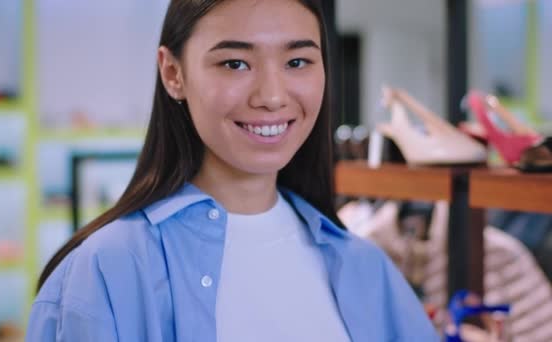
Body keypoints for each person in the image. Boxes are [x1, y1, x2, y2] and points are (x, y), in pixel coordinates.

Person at [26, 0, 439, 341]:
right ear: (173, 73)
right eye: (235, 64)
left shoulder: (367, 269)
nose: (272, 96)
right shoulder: (107, 270)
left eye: (297, 61)